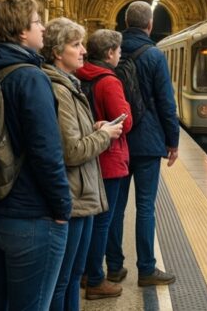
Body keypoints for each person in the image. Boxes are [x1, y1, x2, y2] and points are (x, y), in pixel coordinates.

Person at [0, 0, 71, 310]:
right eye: (38, 21)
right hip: (28, 214)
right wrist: (62, 206)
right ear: (22, 31)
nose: (42, 28)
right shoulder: (30, 77)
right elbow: (45, 151)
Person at [41, 19, 123, 311]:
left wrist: (95, 127)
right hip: (72, 196)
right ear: (56, 51)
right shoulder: (58, 89)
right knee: (64, 279)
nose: (84, 51)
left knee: (74, 276)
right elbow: (72, 151)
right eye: (76, 45)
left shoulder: (71, 84)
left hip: (83, 195)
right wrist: (103, 135)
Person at [109, 1, 180, 286]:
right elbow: (166, 102)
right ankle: (147, 270)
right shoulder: (154, 55)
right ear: (149, 25)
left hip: (117, 138)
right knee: (146, 207)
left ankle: (113, 267)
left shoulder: (112, 52)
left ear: (126, 23)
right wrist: (172, 141)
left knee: (115, 207)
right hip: (148, 142)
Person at [76, 29, 133, 300]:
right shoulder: (109, 81)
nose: (120, 55)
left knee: (91, 219)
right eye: (118, 51)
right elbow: (125, 120)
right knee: (103, 221)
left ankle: (86, 271)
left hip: (86, 156)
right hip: (108, 158)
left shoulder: (78, 75)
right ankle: (96, 279)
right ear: (110, 53)